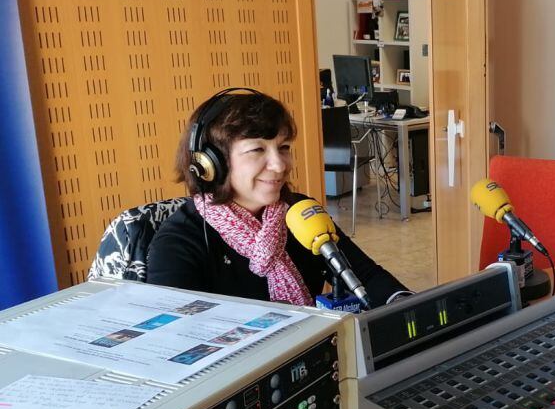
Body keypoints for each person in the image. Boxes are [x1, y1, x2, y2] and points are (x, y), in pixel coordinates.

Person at [147, 88, 407, 306]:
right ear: (210, 163)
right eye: (257, 149)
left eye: (283, 148)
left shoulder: (300, 212)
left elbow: (367, 277)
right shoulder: (180, 240)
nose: (280, 165)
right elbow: (177, 338)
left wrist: (404, 304)